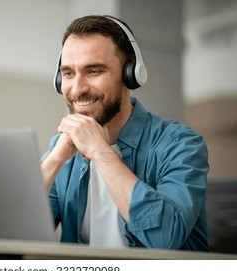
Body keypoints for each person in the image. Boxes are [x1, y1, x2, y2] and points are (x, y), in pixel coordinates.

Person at [41, 15, 209, 251]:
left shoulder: (180, 144)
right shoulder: (62, 149)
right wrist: (53, 161)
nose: (77, 89)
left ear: (130, 74)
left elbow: (165, 239)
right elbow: (11, 234)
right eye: (68, 73)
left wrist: (100, 150)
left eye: (93, 71)